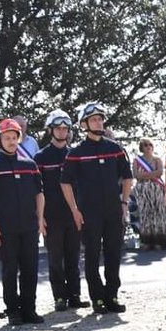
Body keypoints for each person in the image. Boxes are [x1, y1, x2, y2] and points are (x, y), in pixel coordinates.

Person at [60, 102, 132, 314]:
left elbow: (127, 177)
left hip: (113, 210)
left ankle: (112, 295)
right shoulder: (76, 152)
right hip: (89, 212)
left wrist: (125, 203)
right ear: (84, 124)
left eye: (100, 118)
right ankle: (97, 298)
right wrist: (74, 209)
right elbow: (65, 182)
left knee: (113, 254)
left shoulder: (115, 149)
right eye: (93, 119)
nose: (98, 122)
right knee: (91, 255)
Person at [0, 119, 45, 325]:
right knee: (9, 270)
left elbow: (39, 194)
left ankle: (29, 310)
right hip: (6, 229)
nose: (11, 141)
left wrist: (40, 220)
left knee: (30, 269)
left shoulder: (30, 165)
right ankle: (13, 311)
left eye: (14, 137)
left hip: (29, 227)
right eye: (7, 138)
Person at [35, 110, 85, 311]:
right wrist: (39, 217)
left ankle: (75, 295)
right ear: (50, 130)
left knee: (74, 257)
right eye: (58, 128)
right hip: (51, 215)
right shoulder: (40, 157)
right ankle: (59, 298)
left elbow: (83, 185)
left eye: (65, 128)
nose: (62, 132)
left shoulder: (75, 154)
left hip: (73, 214)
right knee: (56, 258)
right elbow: (35, 189)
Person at [132, 139, 166, 249]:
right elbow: (136, 175)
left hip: (156, 189)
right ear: (141, 147)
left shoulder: (157, 159)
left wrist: (146, 175)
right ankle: (146, 241)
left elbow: (160, 172)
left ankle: (159, 241)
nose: (148, 147)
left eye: (150, 145)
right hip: (143, 190)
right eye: (145, 145)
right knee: (145, 214)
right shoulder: (137, 160)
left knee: (158, 214)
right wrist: (152, 175)